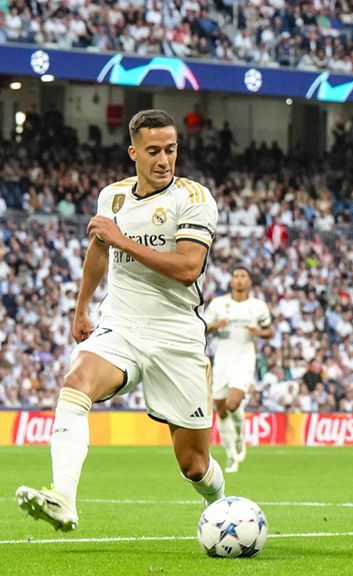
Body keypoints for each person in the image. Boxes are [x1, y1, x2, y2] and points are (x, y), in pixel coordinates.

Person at [16, 109, 223, 531]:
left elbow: (187, 268)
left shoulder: (194, 198)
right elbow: (99, 250)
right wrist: (81, 308)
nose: (164, 159)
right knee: (76, 383)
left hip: (177, 335)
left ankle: (221, 505)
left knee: (194, 464)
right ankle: (63, 498)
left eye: (170, 149)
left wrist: (120, 239)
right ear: (133, 153)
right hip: (121, 326)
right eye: (153, 151)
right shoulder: (112, 197)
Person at [205, 265, 273, 473]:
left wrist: (258, 332)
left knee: (233, 403)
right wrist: (216, 325)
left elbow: (269, 330)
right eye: (236, 276)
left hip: (244, 358)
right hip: (223, 359)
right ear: (231, 281)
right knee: (221, 409)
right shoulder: (218, 304)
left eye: (243, 276)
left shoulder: (258, 306)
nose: (239, 280)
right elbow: (203, 326)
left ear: (250, 281)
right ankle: (230, 455)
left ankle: (240, 437)